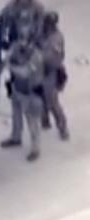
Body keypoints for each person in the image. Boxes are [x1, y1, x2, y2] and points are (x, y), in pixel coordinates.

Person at [1, 28, 45, 162]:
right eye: (20, 39)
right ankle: (16, 138)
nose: (22, 43)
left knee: (33, 122)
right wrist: (4, 63)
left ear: (31, 41)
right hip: (17, 88)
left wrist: (10, 67)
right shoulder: (16, 46)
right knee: (16, 115)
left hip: (31, 93)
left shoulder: (36, 56)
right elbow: (8, 55)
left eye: (24, 40)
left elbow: (25, 73)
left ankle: (35, 149)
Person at [39, 11, 69, 140]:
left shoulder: (56, 38)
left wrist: (39, 59)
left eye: (48, 23)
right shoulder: (41, 33)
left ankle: (62, 128)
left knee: (52, 102)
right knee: (40, 98)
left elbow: (54, 58)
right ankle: (45, 121)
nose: (46, 25)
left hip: (50, 72)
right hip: (38, 71)